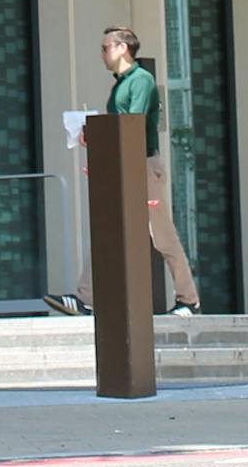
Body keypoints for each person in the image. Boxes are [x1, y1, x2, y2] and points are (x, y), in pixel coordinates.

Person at [54, 25, 199, 317]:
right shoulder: (120, 84)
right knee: (106, 228)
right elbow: (118, 128)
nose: (102, 54)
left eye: (106, 47)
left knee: (161, 235)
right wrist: (96, 144)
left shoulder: (141, 80)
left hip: (141, 165)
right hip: (121, 164)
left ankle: (189, 300)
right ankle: (86, 298)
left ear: (123, 48)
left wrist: (100, 142)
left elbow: (131, 124)